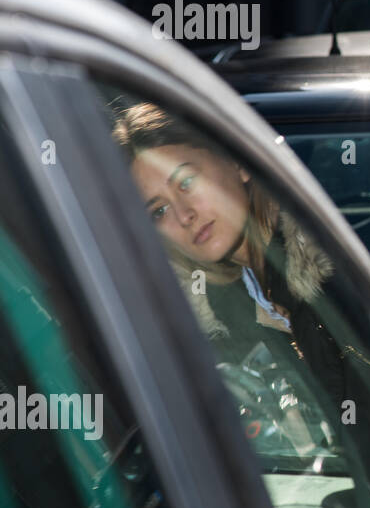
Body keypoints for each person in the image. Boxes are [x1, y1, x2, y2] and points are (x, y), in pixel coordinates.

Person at [111, 102, 351, 415]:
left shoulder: (339, 271)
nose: (185, 216)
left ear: (238, 163)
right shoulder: (210, 322)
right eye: (158, 211)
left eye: (186, 182)